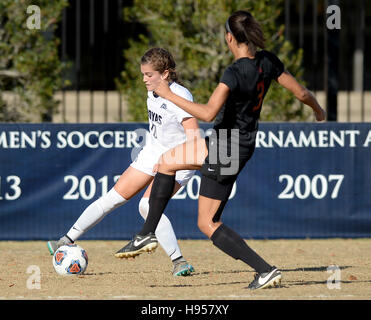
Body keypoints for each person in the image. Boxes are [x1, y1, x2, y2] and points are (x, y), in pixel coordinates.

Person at [115, 10, 326, 289]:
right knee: (172, 171)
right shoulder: (268, 61)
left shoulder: (234, 72)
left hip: (225, 146)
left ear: (229, 37)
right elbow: (301, 93)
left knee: (206, 220)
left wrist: (168, 95)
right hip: (241, 145)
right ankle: (148, 233)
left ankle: (149, 233)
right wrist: (318, 110)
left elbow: (208, 113)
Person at [47, 47, 201, 277]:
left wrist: (171, 161)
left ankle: (179, 261)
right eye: (143, 74)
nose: (144, 79)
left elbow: (195, 140)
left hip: (179, 158)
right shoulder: (154, 91)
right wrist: (158, 156)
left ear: (166, 74)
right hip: (154, 151)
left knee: (146, 206)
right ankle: (66, 240)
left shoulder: (180, 96)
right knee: (112, 198)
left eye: (149, 74)